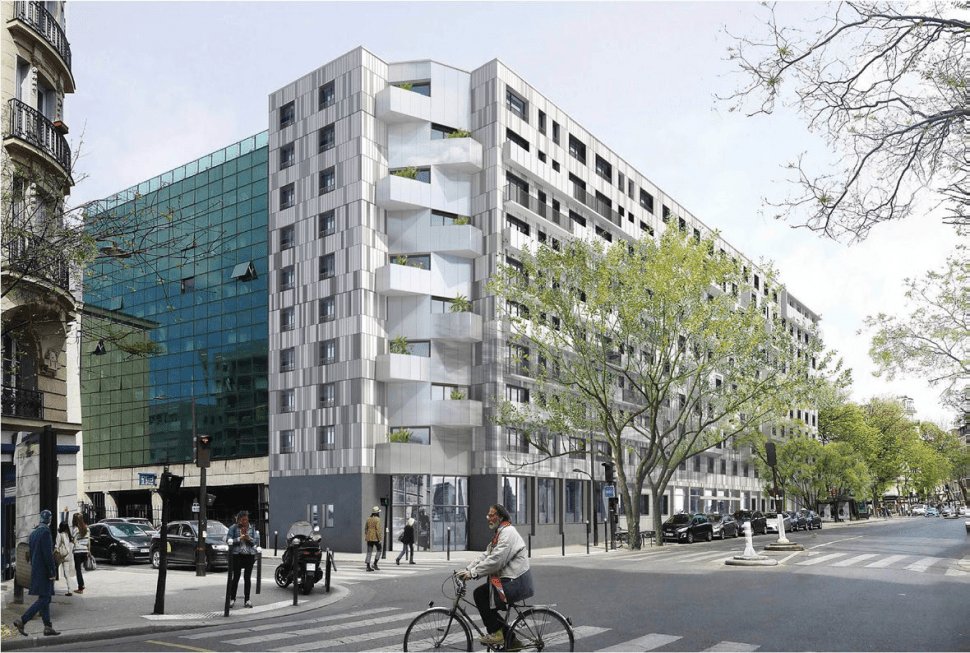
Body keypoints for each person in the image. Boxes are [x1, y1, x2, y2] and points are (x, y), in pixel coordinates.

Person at [458, 503, 533, 647]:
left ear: (499, 518)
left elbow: (496, 560)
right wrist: (468, 569)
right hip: (509, 580)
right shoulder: (500, 533)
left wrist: (473, 573)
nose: (488, 518)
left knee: (480, 595)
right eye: (488, 515)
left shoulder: (507, 533)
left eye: (491, 515)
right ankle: (511, 640)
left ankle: (498, 635)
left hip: (516, 582)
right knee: (486, 598)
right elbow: (487, 554)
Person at [12, 510, 60, 637]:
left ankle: (48, 627)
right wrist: (52, 571)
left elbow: (31, 553)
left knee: (44, 597)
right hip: (44, 572)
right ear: (49, 520)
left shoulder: (33, 534)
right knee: (45, 598)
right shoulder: (45, 533)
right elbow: (48, 555)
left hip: (36, 570)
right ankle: (22, 620)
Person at [226, 511, 260, 608]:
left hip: (249, 555)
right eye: (242, 519)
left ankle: (247, 600)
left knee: (247, 577)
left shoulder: (251, 528)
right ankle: (232, 599)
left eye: (246, 519)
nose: (244, 521)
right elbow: (228, 540)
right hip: (237, 555)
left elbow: (256, 541)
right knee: (236, 577)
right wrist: (239, 538)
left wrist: (249, 538)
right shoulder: (234, 527)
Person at [55, 522, 75, 596]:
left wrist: (53, 553)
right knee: (67, 574)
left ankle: (50, 589)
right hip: (67, 555)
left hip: (60, 555)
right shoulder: (69, 535)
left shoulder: (60, 534)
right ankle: (70, 590)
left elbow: (57, 545)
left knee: (53, 569)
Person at [71, 513, 87, 594]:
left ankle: (81, 586)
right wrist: (89, 551)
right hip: (85, 551)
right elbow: (89, 541)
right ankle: (82, 584)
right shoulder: (87, 528)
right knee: (81, 568)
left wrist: (72, 539)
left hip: (77, 551)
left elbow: (74, 541)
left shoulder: (75, 529)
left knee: (78, 570)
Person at [364, 506, 381, 571]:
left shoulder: (368, 519)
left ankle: (368, 566)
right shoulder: (378, 519)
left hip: (369, 537)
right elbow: (378, 530)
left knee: (369, 552)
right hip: (376, 538)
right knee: (379, 550)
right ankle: (375, 563)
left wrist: (367, 535)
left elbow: (366, 528)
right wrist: (379, 539)